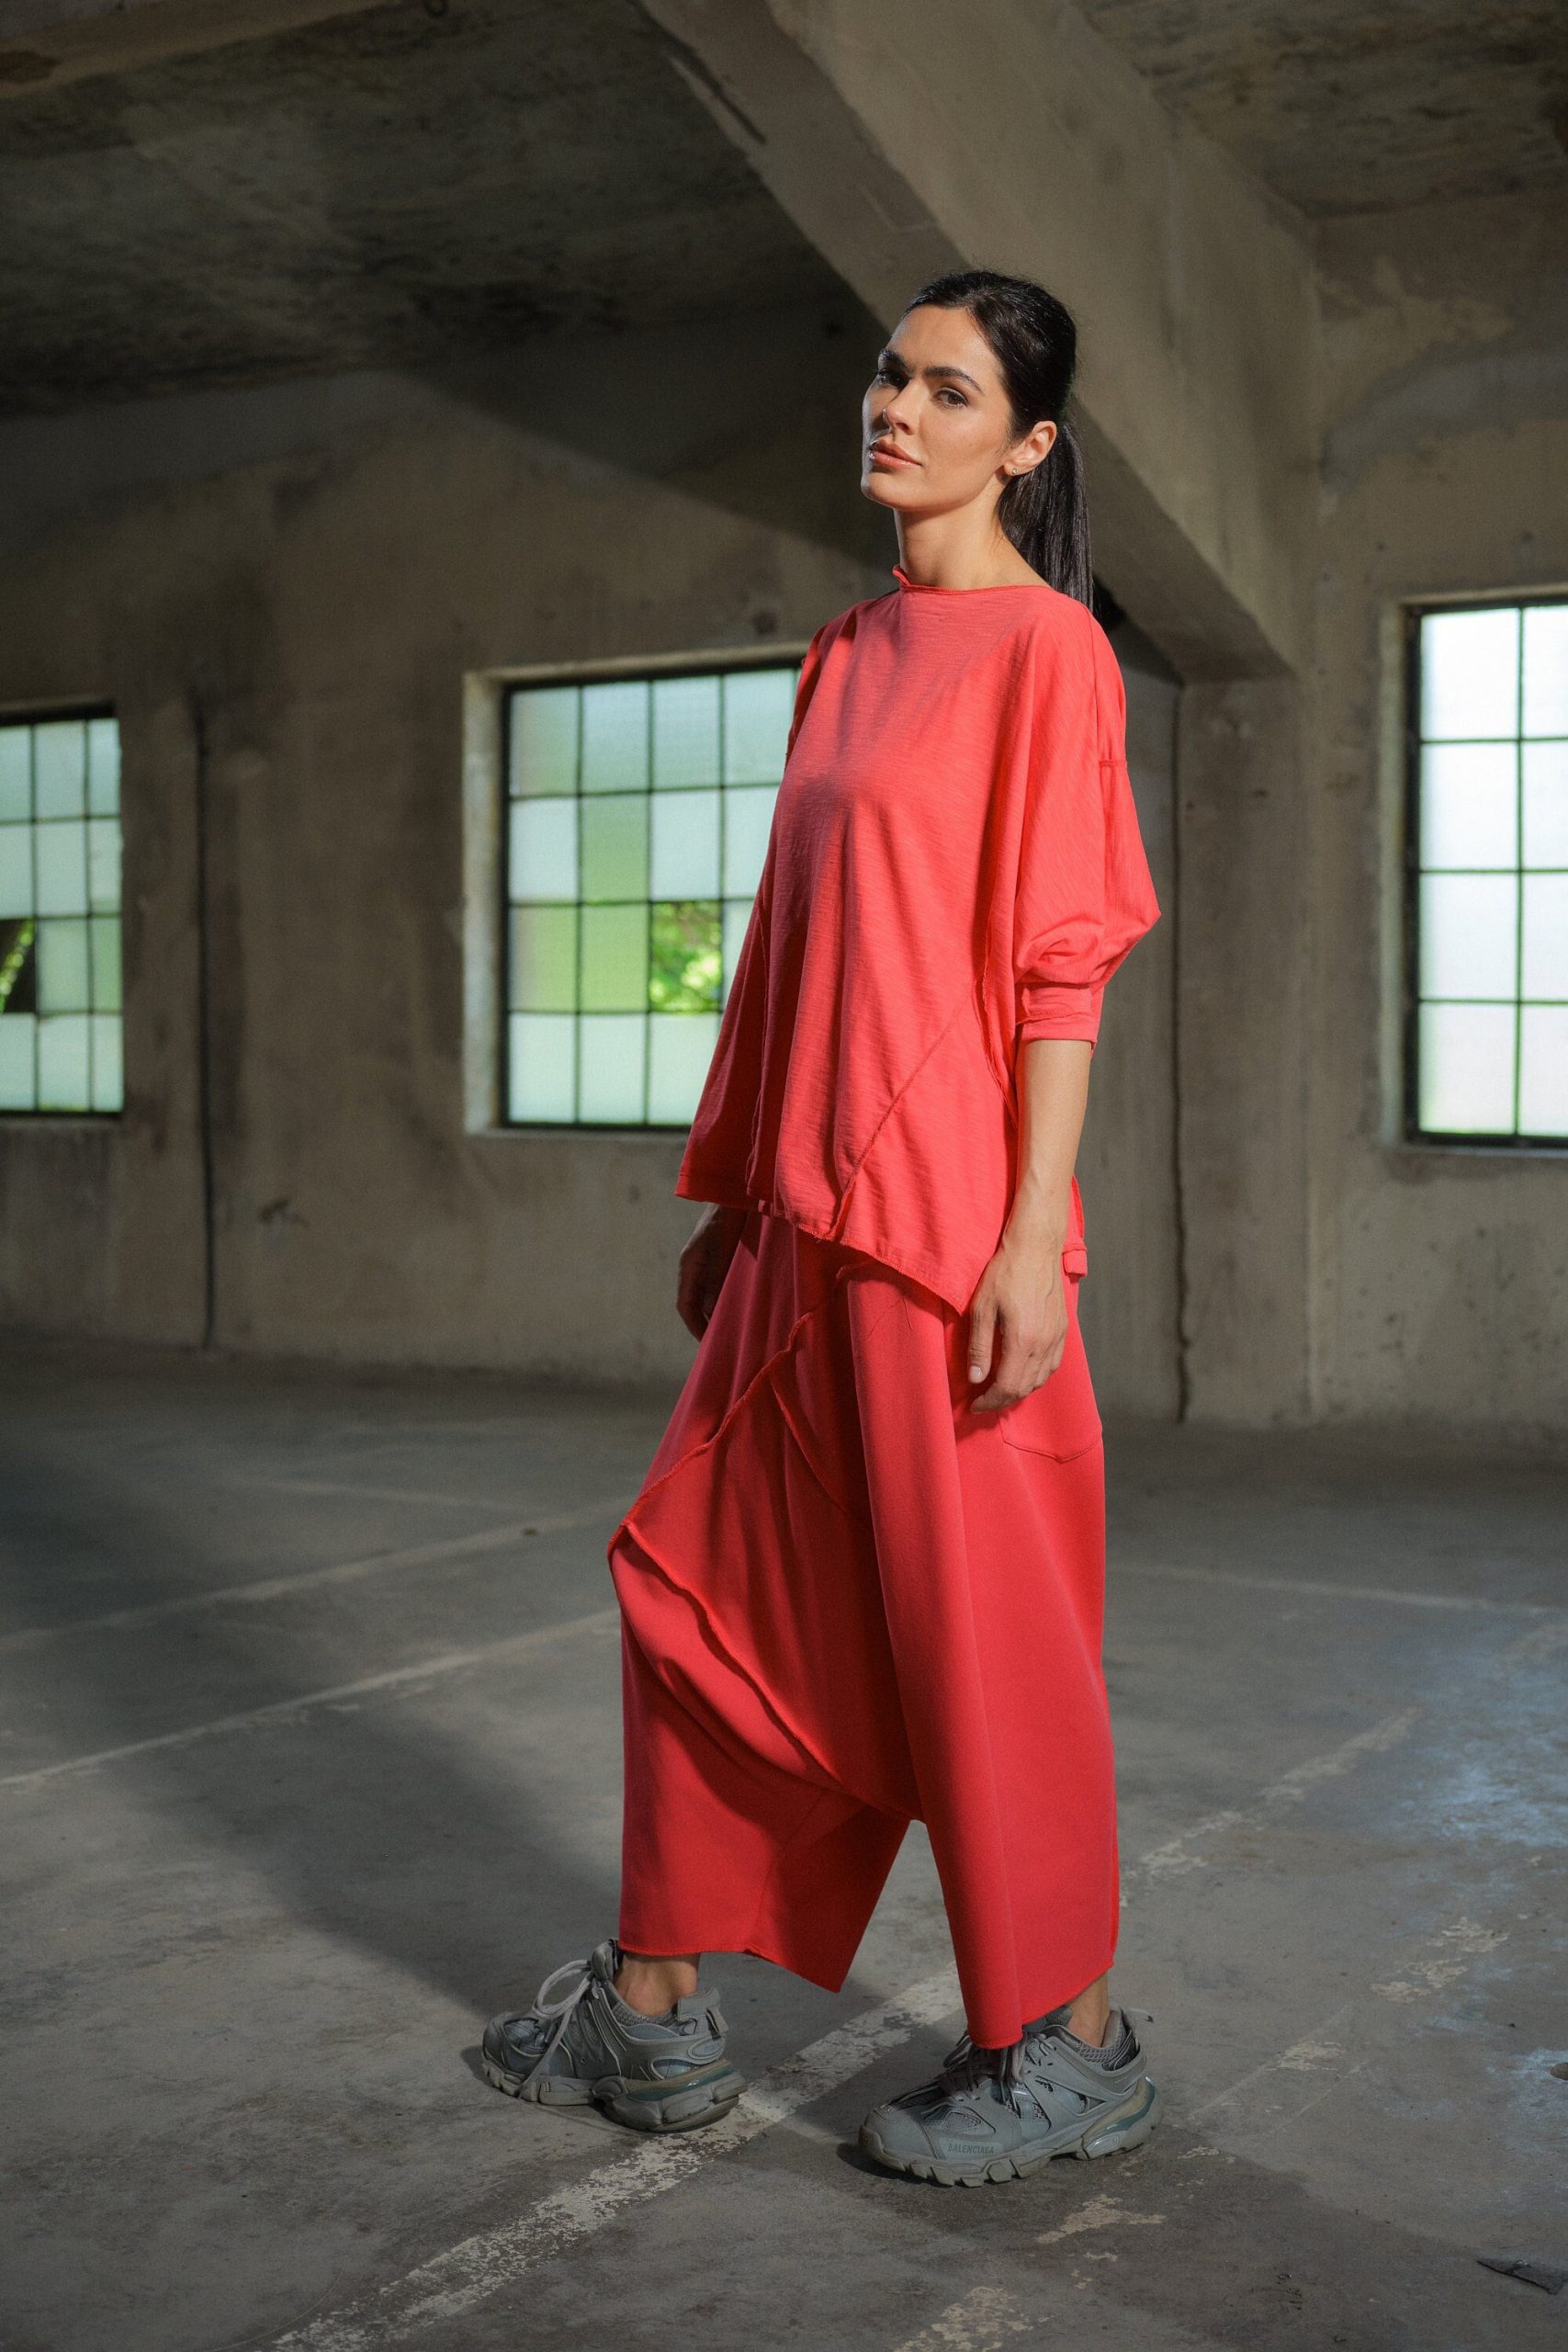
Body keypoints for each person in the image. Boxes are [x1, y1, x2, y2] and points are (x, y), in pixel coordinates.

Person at [482, 269, 1165, 2188]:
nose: (897, 408)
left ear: (1026, 445)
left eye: (948, 391)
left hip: (945, 1240)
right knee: (689, 1595)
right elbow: (787, 952)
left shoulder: (1050, 654)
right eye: (889, 374)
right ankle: (651, 1998)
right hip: (800, 1221)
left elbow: (1058, 971)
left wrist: (1027, 1239)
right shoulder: (847, 652)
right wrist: (733, 1196)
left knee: (986, 1652)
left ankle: (1072, 2043)